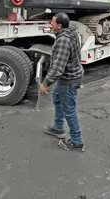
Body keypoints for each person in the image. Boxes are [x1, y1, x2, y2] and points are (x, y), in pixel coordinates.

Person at [39, 12, 85, 152]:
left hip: (69, 79)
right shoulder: (70, 33)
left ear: (59, 25)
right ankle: (58, 128)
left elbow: (58, 67)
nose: (50, 24)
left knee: (69, 109)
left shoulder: (63, 40)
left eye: (52, 22)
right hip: (69, 76)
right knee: (57, 98)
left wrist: (45, 83)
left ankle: (77, 142)